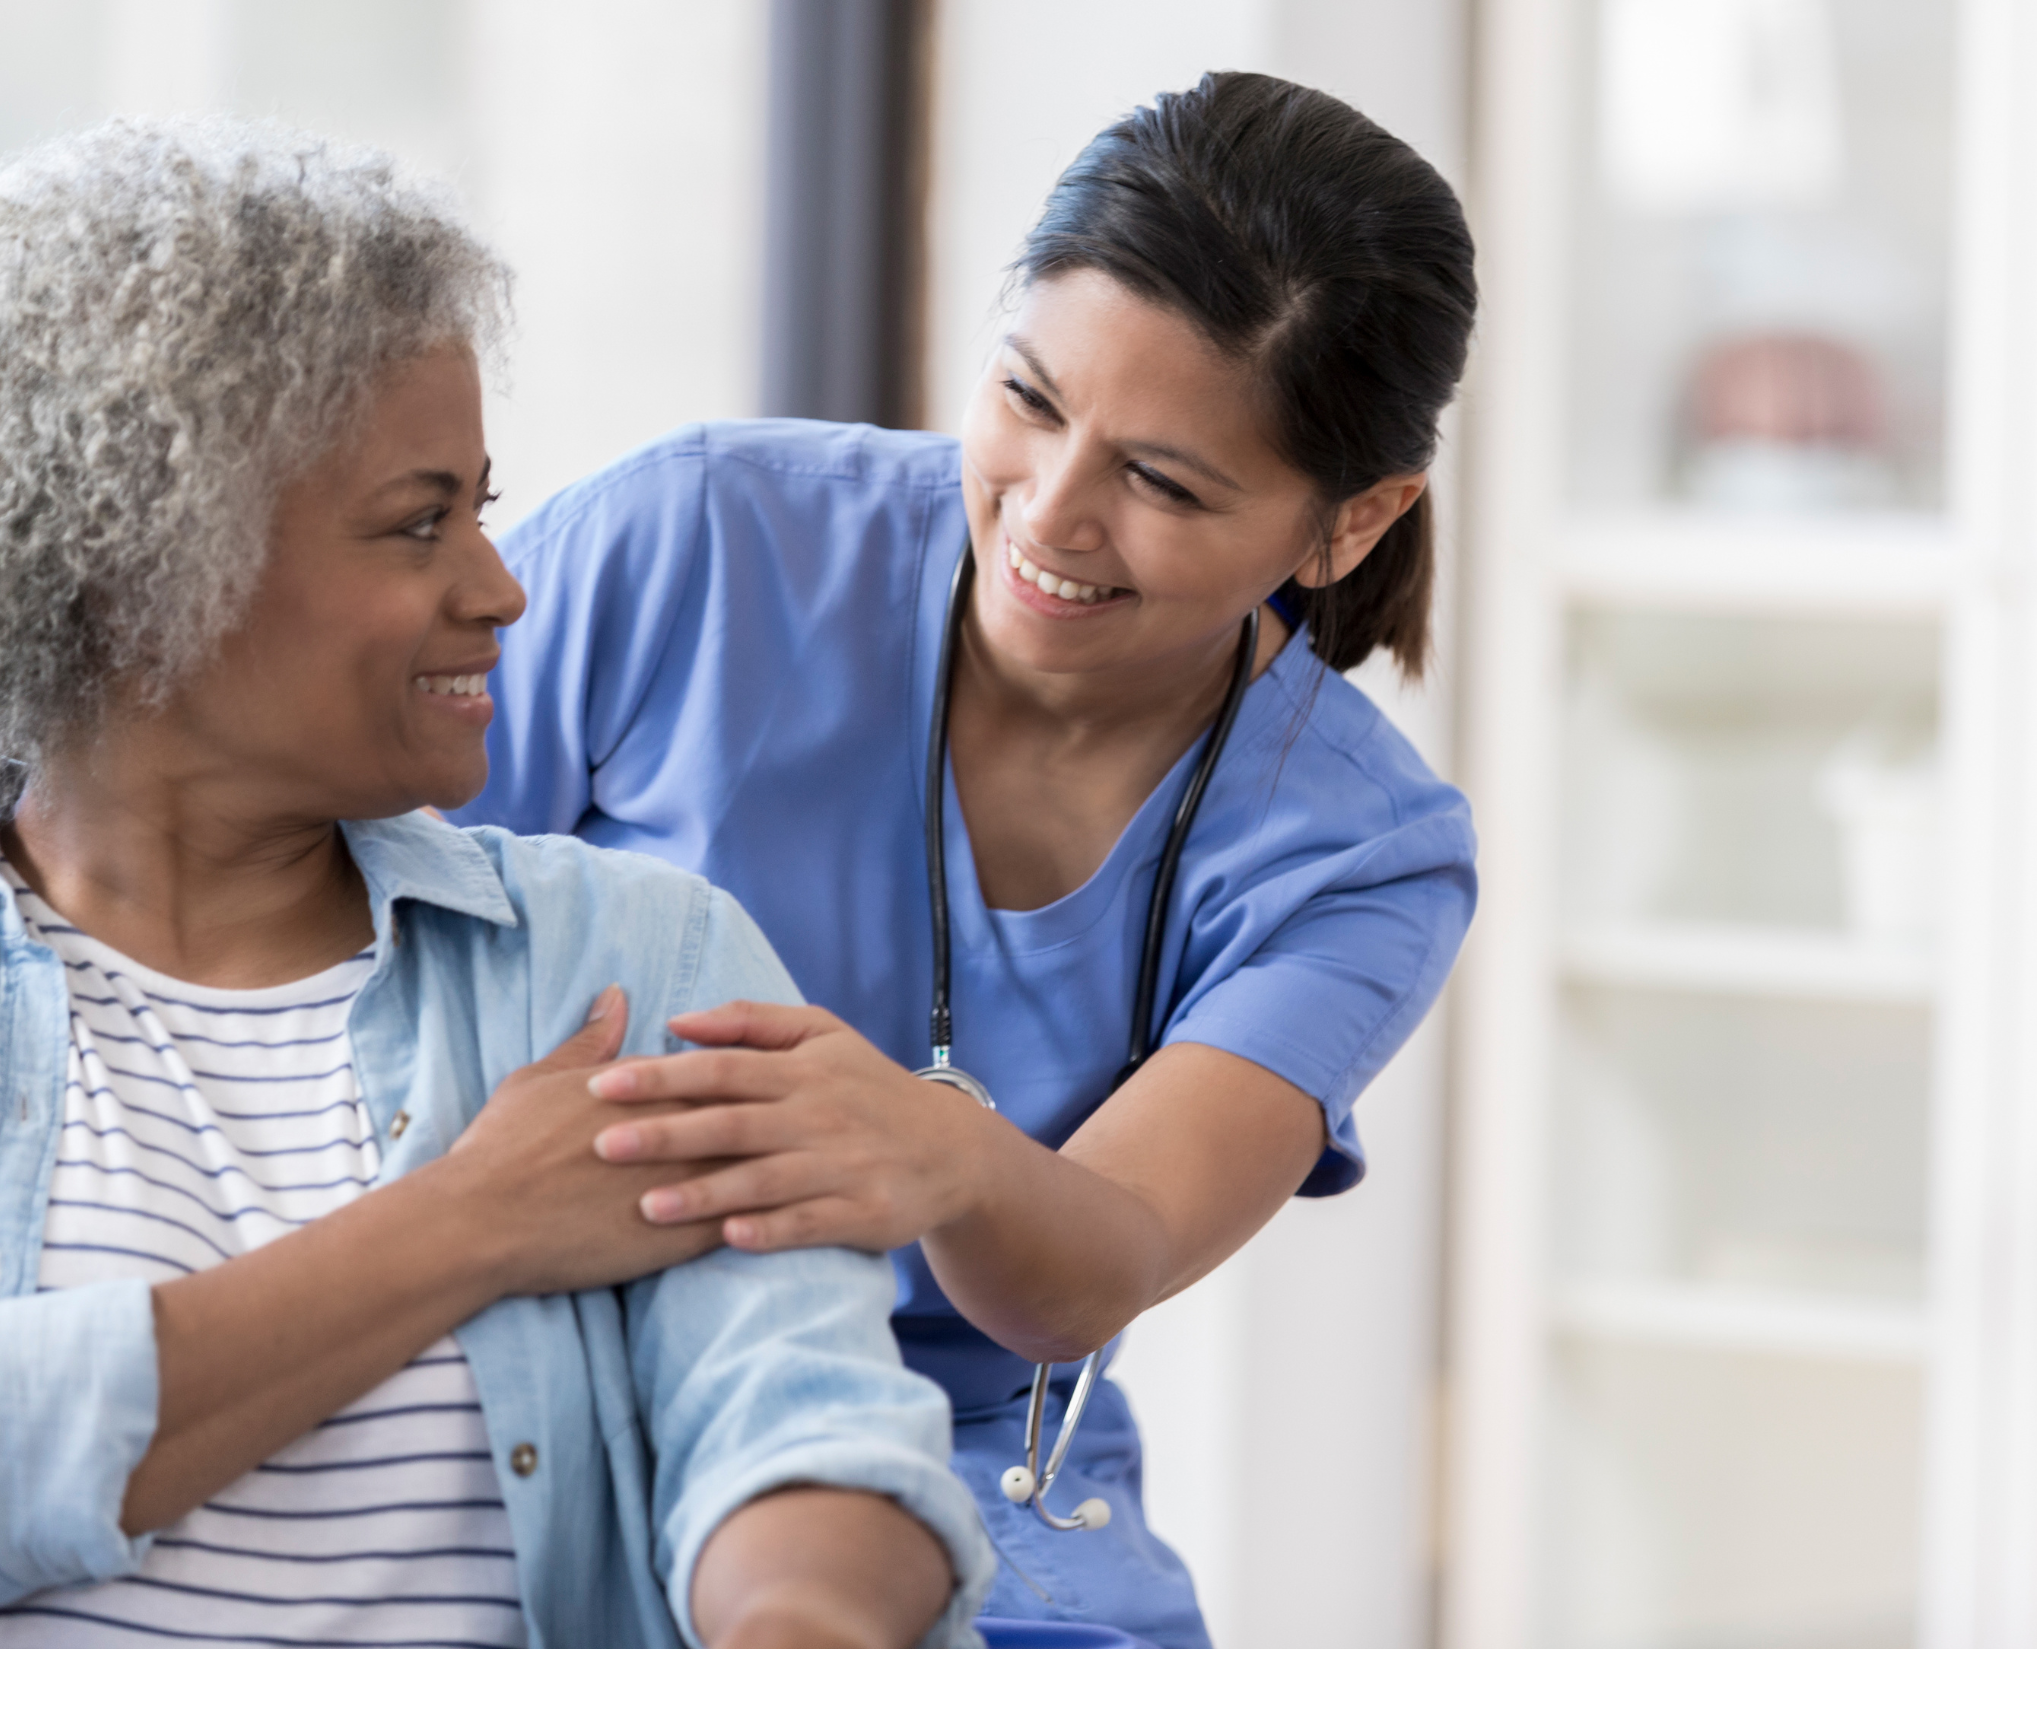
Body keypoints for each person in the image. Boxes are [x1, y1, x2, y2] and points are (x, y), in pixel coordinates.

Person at [0, 117, 990, 1649]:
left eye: (482, 502)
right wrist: (468, 1221)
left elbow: (800, 1420)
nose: (501, 585)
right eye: (419, 522)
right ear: (146, 582)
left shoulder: (631, 957)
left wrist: (801, 1637)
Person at [450, 73, 1479, 1646]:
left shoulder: (1363, 854)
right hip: (523, 1343)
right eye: (1029, 400)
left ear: (1349, 524)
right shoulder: (708, 539)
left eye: (1163, 482)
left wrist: (945, 1153)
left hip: (964, 1445)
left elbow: (1094, 1269)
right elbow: (336, 903)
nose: (1049, 516)